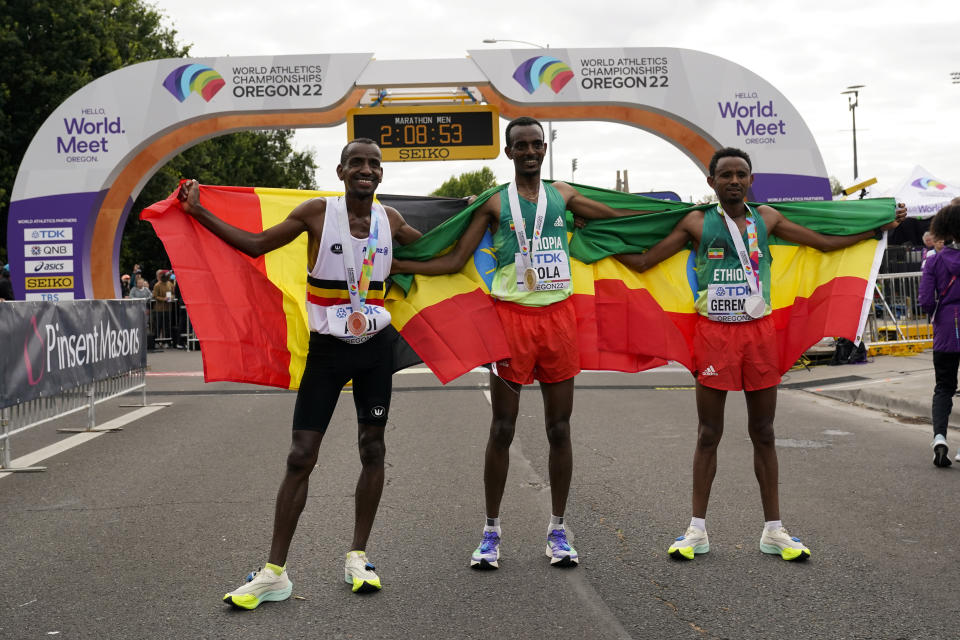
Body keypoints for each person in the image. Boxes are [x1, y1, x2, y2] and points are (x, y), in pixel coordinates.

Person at [614, 147, 904, 562]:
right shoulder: (696, 222)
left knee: (764, 432)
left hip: (759, 334)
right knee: (708, 434)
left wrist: (876, 226)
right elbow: (644, 262)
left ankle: (774, 530)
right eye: (725, 175)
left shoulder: (766, 218)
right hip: (714, 334)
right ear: (710, 183)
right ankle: (696, 530)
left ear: (751, 181)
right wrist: (595, 244)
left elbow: (823, 242)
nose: (733, 180)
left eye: (741, 174)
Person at [178, 138, 421, 609]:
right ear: (341, 171)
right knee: (300, 455)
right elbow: (255, 245)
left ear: (381, 175)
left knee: (373, 447)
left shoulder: (390, 221)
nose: (365, 170)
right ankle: (274, 574)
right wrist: (198, 211)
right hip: (327, 351)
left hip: (375, 350)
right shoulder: (316, 213)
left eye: (373, 164)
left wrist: (487, 222)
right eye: (357, 163)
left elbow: (440, 251)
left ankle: (358, 556)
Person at [392, 116, 640, 570]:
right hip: (511, 323)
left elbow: (621, 218)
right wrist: (394, 265)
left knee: (559, 428)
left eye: (535, 144)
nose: (529, 151)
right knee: (502, 429)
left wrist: (678, 216)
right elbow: (452, 259)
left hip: (558, 321)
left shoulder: (562, 196)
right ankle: (490, 532)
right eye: (520, 145)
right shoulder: (492, 203)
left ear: (544, 149)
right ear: (509, 153)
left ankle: (559, 530)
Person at [918, 203, 960, 467]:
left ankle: (940, 437)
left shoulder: (934, 260)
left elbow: (924, 299)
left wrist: (936, 311)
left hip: (946, 328)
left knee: (944, 387)